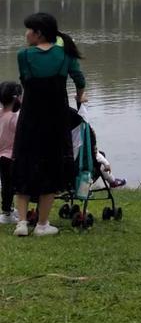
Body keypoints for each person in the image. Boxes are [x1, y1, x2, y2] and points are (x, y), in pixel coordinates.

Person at [12, 13, 86, 237]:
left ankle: (22, 223)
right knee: (52, 167)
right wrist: (80, 97)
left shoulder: (23, 55)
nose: (26, 34)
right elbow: (79, 80)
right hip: (56, 120)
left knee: (25, 164)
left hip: (30, 119)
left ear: (39, 33)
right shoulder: (65, 55)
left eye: (29, 30)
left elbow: (26, 82)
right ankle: (43, 225)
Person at [0, 81, 22, 224]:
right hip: (11, 157)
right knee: (12, 186)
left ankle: (7, 210)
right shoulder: (15, 118)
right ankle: (7, 214)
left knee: (6, 184)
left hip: (1, 156)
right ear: (17, 98)